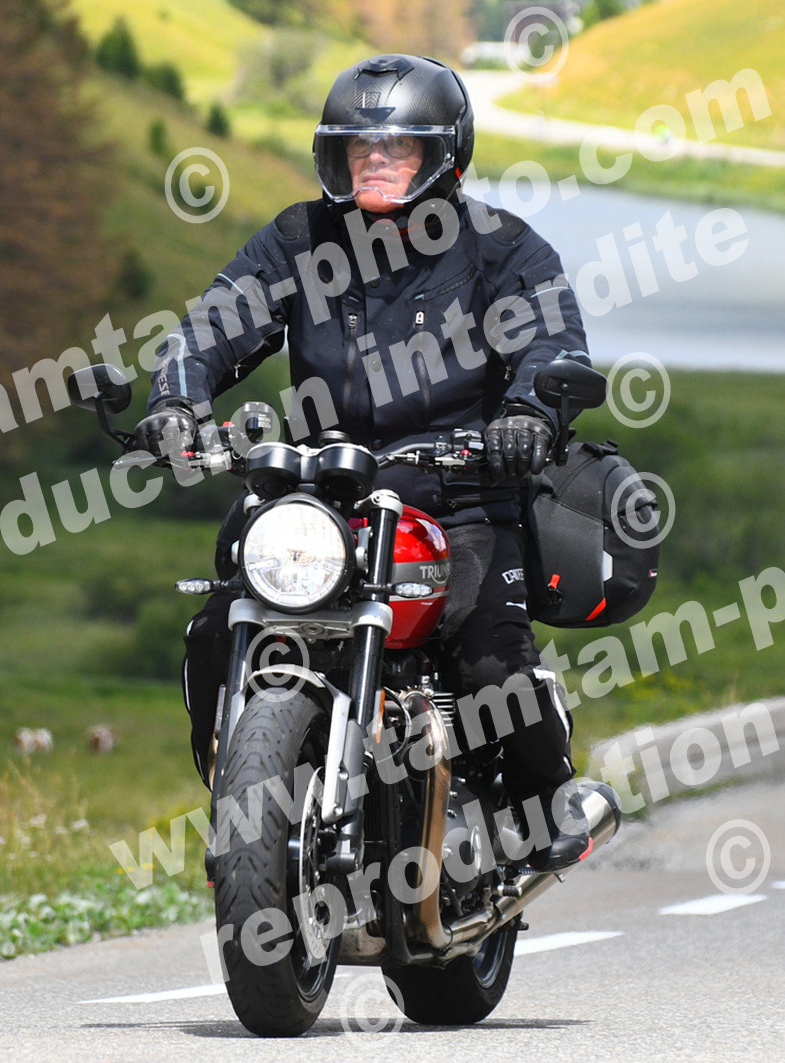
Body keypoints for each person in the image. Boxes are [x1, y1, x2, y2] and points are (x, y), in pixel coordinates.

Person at [139, 54, 592, 872]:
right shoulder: (300, 239)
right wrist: (177, 399)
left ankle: (545, 798)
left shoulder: (502, 249)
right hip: (321, 495)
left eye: (398, 147)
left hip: (457, 494)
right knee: (217, 627)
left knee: (490, 655)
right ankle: (244, 805)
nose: (374, 161)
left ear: (444, 155)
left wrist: (529, 413)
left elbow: (552, 343)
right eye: (359, 147)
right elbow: (210, 327)